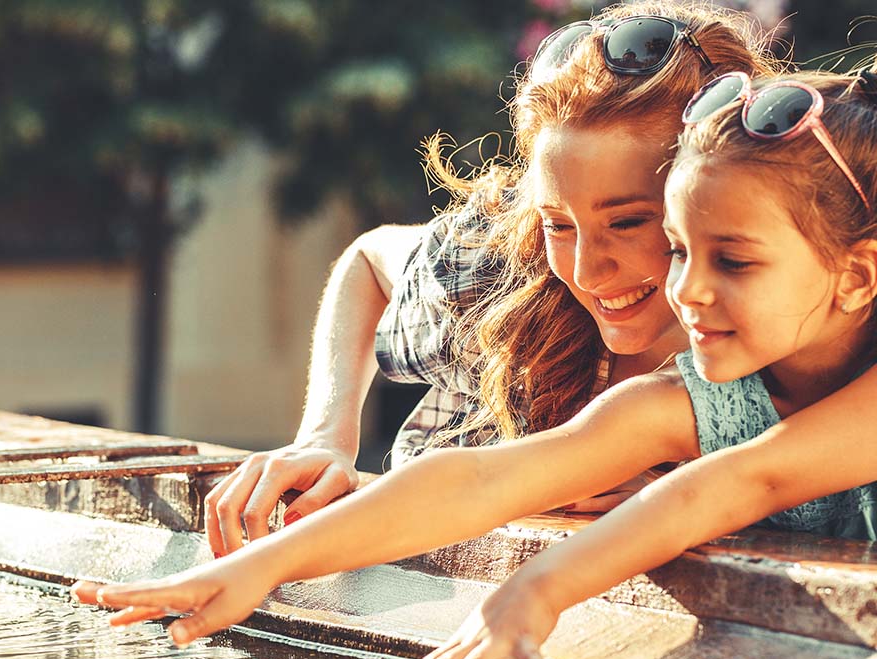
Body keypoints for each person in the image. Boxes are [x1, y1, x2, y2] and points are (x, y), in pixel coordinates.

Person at [73, 66, 877, 659]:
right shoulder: (703, 395)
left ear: (857, 276)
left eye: (731, 260)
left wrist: (538, 590)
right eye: (679, 248)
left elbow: (743, 479)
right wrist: (259, 566)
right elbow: (485, 480)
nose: (686, 290)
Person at [203, 3, 779, 556]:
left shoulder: (804, 335)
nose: (584, 270)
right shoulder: (499, 274)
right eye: (559, 223)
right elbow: (367, 262)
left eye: (626, 221)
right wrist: (325, 436)